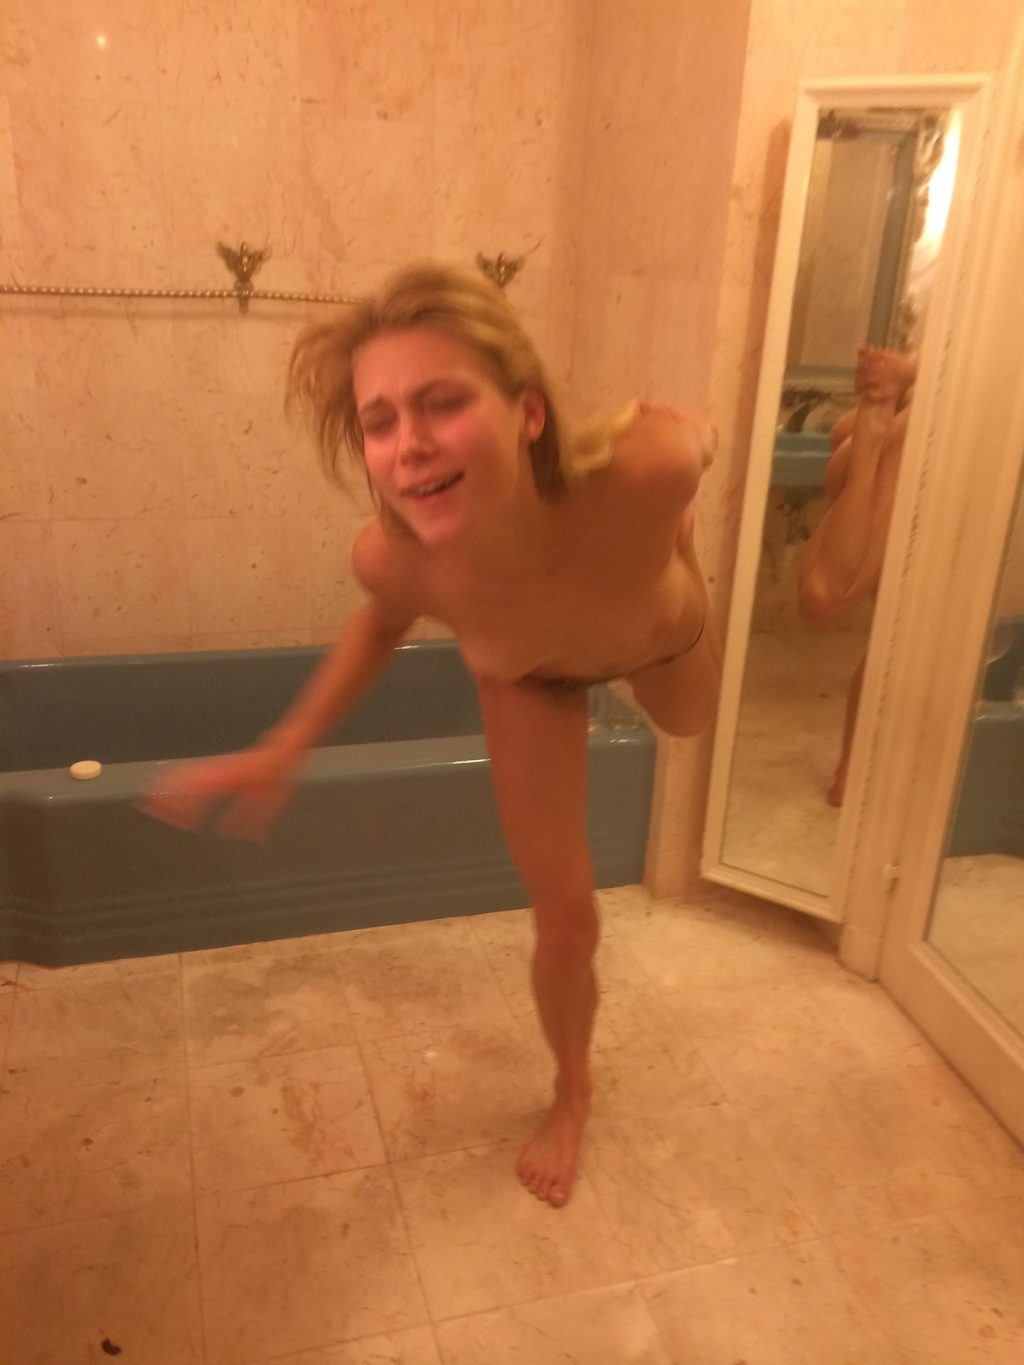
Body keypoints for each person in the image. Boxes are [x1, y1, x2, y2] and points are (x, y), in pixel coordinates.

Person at [142, 262, 721, 1207]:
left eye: (442, 402)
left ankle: (679, 558)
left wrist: (681, 478)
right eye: (379, 422)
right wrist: (286, 744)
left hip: (660, 639)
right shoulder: (398, 560)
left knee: (692, 723)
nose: (408, 445)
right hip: (531, 678)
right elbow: (377, 626)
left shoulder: (645, 472)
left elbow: (699, 437)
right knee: (567, 922)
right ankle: (573, 1089)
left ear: (528, 411)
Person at [797, 344, 918, 804]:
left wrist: (907, 373)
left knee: (892, 638)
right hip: (905, 437)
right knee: (844, 608)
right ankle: (853, 771)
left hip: (869, 439)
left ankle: (851, 769)